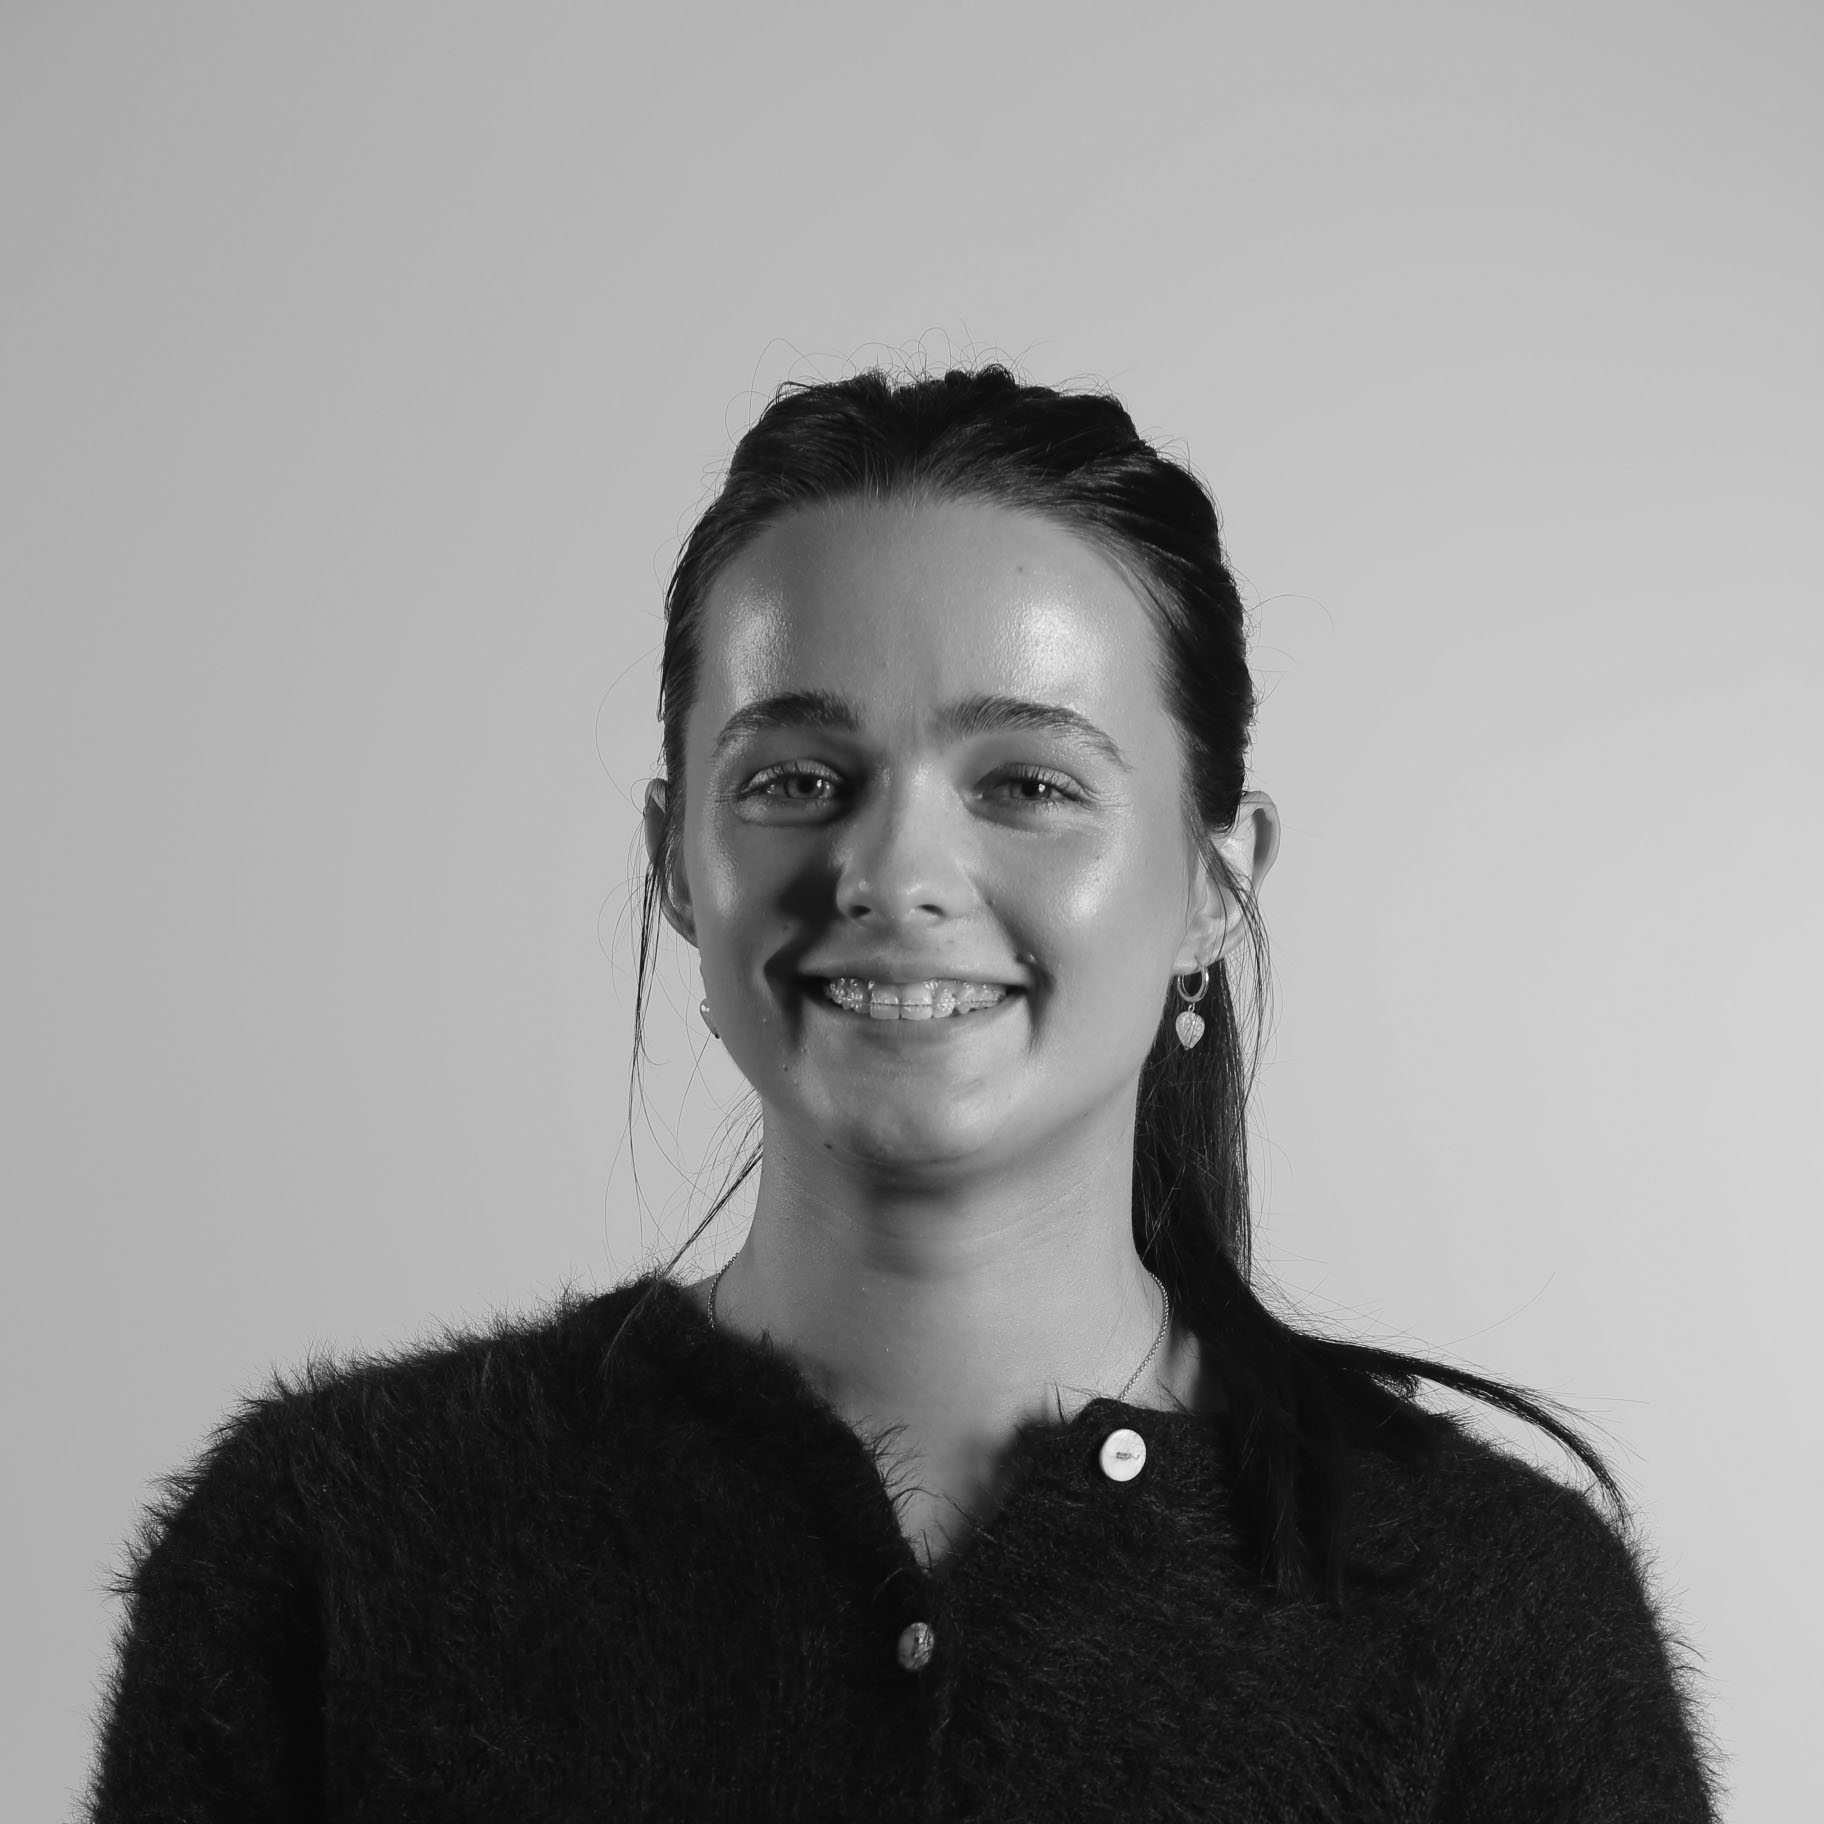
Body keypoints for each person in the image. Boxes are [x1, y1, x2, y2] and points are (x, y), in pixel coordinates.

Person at [86, 366, 1716, 1820]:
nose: (891, 869)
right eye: (799, 779)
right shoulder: (329, 1550)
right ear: (676, 860)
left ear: (1216, 885)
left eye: (1029, 783)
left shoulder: (1494, 1617)